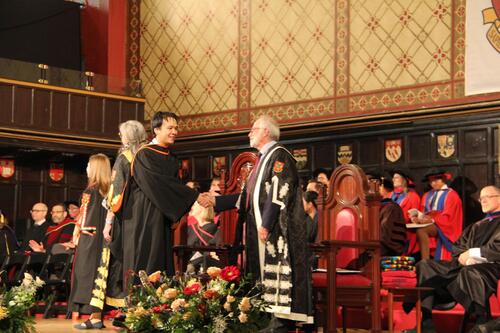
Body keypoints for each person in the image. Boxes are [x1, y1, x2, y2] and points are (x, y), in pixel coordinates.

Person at [214, 115, 313, 332]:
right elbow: (249, 197)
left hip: (277, 230)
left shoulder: (280, 156)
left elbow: (278, 193)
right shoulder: (262, 159)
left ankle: (279, 321)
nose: (249, 133)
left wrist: (266, 223)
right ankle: (264, 317)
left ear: (266, 131)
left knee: (276, 273)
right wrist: (215, 202)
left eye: (253, 129)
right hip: (259, 229)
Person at [116, 111, 209, 278]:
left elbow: (172, 186)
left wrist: (177, 213)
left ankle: (161, 300)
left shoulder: (171, 156)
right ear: (156, 130)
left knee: (161, 259)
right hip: (144, 216)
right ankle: (140, 301)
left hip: (161, 214)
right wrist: (194, 195)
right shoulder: (144, 154)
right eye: (170, 128)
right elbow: (161, 184)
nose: (174, 132)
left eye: (176, 128)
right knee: (146, 260)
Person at [402, 186, 500, 333]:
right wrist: (465, 257)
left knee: (470, 271)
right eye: (481, 198)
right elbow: (458, 248)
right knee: (425, 265)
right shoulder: (476, 225)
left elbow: (497, 249)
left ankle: (481, 319)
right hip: (463, 265)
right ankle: (426, 322)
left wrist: (472, 255)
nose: (483, 200)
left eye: (488, 196)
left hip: (491, 267)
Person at [91, 120, 148, 314]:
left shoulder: (124, 157)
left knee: (116, 263)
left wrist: (107, 223)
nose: (119, 137)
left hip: (123, 218)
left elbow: (115, 194)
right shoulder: (147, 156)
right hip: (144, 218)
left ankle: (115, 310)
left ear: (128, 137)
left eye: (121, 134)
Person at [70, 154, 111, 330]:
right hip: (104, 241)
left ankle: (94, 317)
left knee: (90, 277)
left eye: (88, 165)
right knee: (99, 277)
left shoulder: (90, 191)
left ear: (94, 168)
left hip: (91, 240)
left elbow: (87, 219)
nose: (86, 168)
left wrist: (79, 235)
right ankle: (96, 317)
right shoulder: (108, 190)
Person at [411, 171, 463, 260]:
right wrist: (417, 217)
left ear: (443, 179)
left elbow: (450, 217)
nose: (433, 183)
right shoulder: (427, 195)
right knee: (413, 231)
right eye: (431, 181)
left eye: (436, 180)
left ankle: (425, 261)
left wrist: (432, 220)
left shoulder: (452, 195)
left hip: (443, 225)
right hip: (429, 222)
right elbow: (423, 211)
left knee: (421, 230)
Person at [390, 170, 421, 255]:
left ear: (404, 180)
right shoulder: (390, 195)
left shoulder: (413, 197)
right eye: (393, 177)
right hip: (390, 229)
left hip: (404, 231)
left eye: (396, 177)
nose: (393, 179)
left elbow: (413, 216)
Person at [186, 202, 221, 272]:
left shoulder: (216, 230)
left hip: (205, 269)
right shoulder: (189, 229)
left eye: (194, 204)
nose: (191, 206)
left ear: (203, 207)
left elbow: (211, 253)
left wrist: (192, 264)